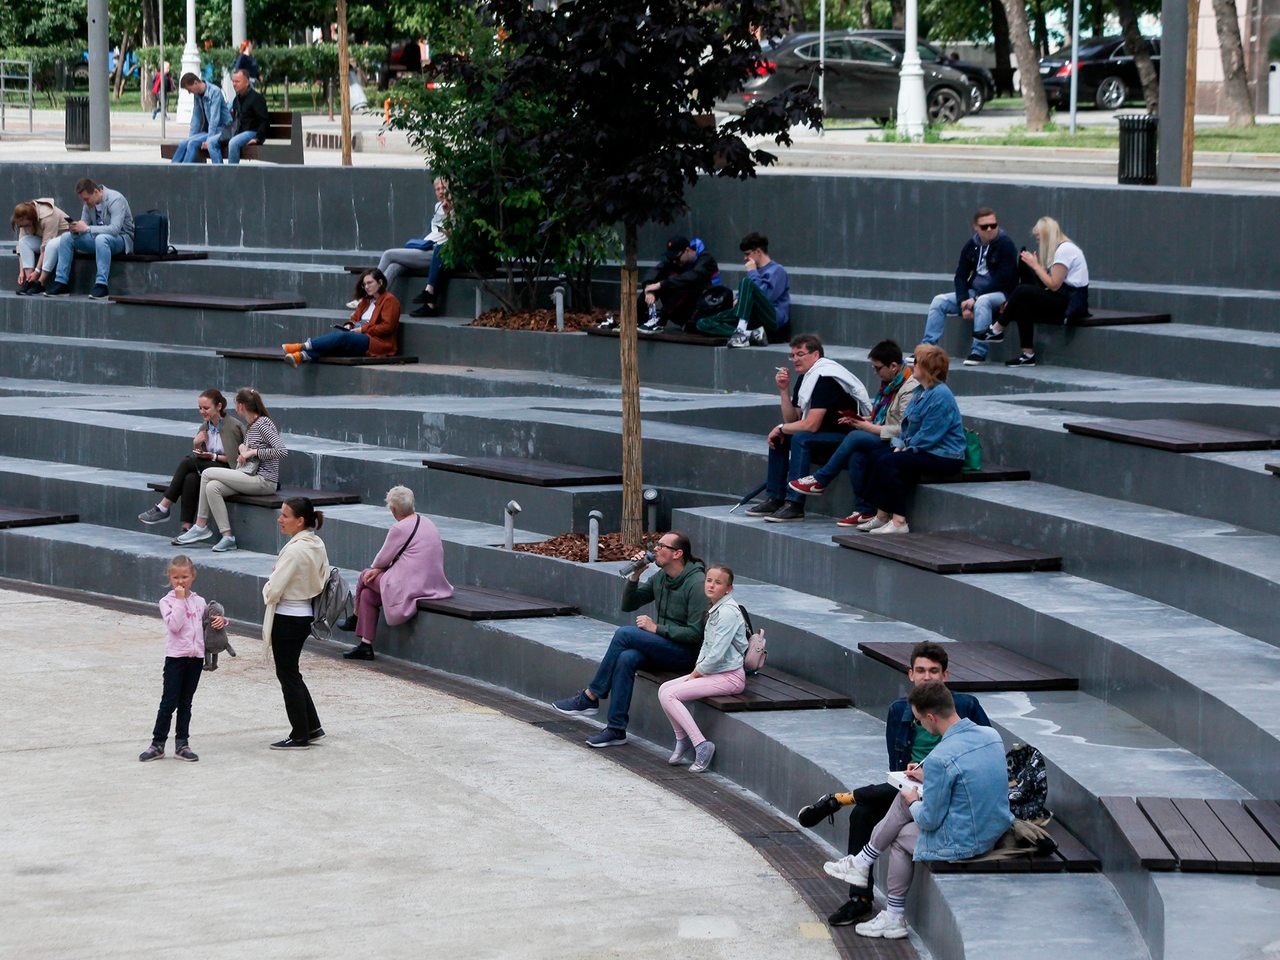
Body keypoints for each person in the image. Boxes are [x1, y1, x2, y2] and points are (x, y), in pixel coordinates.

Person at [799, 642, 992, 927]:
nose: (927, 677)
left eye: (934, 671)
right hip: (911, 787)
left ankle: (840, 799)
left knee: (896, 796)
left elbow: (982, 755)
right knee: (864, 814)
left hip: (947, 795)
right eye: (921, 671)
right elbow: (896, 768)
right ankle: (860, 900)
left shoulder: (965, 707)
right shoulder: (899, 711)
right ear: (911, 675)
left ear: (945, 677)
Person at [824, 680, 1012, 940]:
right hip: (993, 826)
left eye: (919, 721)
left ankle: (890, 909)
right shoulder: (990, 735)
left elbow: (929, 820)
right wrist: (926, 779)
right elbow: (968, 780)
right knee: (905, 800)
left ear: (932, 717)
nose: (919, 725)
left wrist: (914, 800)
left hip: (969, 842)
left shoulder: (940, 757)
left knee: (900, 832)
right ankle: (862, 865)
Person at [551, 532, 708, 748]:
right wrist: (635, 576)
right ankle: (616, 729)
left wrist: (656, 628)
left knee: (625, 634)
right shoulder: (661, 578)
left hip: (687, 655)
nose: (655, 549)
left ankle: (591, 696)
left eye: (661, 546)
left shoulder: (697, 583)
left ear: (677, 554)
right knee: (626, 657)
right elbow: (628, 605)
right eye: (656, 544)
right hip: (665, 647)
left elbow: (695, 634)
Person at [787, 340, 919, 528]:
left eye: (878, 368)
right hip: (885, 434)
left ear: (894, 366)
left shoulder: (908, 388)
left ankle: (821, 479)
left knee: (856, 437)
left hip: (900, 441)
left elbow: (903, 429)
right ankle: (865, 511)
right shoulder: (889, 383)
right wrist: (860, 420)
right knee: (857, 454)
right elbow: (880, 418)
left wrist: (866, 428)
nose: (875, 372)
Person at [745, 333, 871, 524]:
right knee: (782, 438)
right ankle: (775, 498)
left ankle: (794, 504)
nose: (795, 359)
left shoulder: (825, 379)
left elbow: (811, 425)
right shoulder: (806, 378)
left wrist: (780, 427)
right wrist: (783, 390)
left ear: (815, 355)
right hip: (822, 435)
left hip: (844, 438)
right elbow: (792, 419)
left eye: (800, 354)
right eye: (792, 355)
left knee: (800, 438)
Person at [856, 345, 964, 535]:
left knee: (889, 462)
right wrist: (899, 446)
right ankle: (882, 516)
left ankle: (899, 522)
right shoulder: (920, 391)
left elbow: (929, 435)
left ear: (929, 369)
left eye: (917, 362)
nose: (912, 365)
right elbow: (907, 429)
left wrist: (905, 449)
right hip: (926, 450)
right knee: (875, 456)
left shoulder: (941, 395)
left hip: (945, 456)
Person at [341, 485, 453, 661]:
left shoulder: (399, 528)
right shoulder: (427, 522)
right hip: (431, 584)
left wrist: (377, 568)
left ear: (393, 509)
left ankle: (354, 617)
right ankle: (365, 645)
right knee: (369, 596)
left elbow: (380, 560)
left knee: (364, 575)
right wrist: (380, 569)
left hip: (411, 587)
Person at [172, 388, 286, 552]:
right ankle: (227, 537)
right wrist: (243, 448)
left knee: (208, 473)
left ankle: (200, 525)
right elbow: (250, 448)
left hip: (264, 481)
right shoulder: (252, 425)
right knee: (212, 487)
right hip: (248, 475)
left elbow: (282, 450)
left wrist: (253, 452)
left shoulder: (263, 423)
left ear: (241, 406)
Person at [658, 564, 747, 773]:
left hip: (730, 677)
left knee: (670, 695)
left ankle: (701, 745)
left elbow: (716, 653)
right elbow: (706, 646)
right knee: (664, 690)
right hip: (714, 673)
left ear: (728, 589)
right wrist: (696, 672)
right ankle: (682, 739)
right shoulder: (715, 608)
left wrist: (696, 674)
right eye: (709, 580)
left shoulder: (727, 612)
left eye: (718, 582)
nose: (712, 585)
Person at [138, 555, 227, 762]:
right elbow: (175, 625)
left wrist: (222, 621)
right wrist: (179, 601)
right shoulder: (166, 602)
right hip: (176, 658)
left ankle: (182, 744)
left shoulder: (200, 601)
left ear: (193, 576)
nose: (181, 581)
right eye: (176, 577)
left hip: (195, 658)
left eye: (185, 577)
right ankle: (157, 743)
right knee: (168, 703)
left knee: (186, 702)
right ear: (170, 578)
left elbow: (207, 622)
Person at [261, 497, 330, 750]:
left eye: (285, 515)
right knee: (292, 673)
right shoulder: (316, 543)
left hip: (287, 619)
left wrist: (272, 578)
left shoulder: (294, 549)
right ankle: (311, 726)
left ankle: (300, 734)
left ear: (299, 521)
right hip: (303, 616)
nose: (280, 519)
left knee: (287, 675)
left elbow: (273, 591)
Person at [974, 216, 1090, 368]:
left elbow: (1054, 285)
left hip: (1073, 302)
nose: (1039, 243)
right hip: (1064, 296)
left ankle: (997, 329)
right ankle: (1027, 355)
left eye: (1039, 239)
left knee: (1022, 290)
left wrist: (1035, 266)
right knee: (1023, 303)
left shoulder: (1065, 250)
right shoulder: (1062, 249)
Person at [920, 207, 1017, 367]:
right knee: (939, 301)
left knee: (982, 301)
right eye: (985, 226)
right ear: (976, 227)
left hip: (1001, 295)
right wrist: (963, 300)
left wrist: (975, 298)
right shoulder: (972, 245)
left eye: (993, 225)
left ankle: (978, 352)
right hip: (973, 295)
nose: (990, 229)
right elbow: (961, 275)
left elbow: (1003, 279)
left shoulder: (1006, 245)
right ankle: (926, 349)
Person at [138, 389, 246, 532]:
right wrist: (196, 444)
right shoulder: (205, 427)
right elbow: (199, 455)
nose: (202, 411)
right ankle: (186, 527)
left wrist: (212, 457)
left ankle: (163, 507)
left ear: (219, 407)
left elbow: (234, 460)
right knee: (190, 477)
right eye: (200, 408)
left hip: (230, 470)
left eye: (206, 408)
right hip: (210, 467)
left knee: (187, 462)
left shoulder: (233, 426)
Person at [282, 269, 401, 366]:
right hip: (359, 334)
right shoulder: (366, 300)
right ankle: (301, 356)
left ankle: (303, 346)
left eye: (370, 283)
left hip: (377, 342)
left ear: (380, 282)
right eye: (364, 284)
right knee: (336, 342)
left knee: (342, 337)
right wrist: (349, 324)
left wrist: (363, 330)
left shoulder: (390, 300)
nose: (366, 287)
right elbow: (354, 317)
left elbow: (387, 327)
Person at [40, 178, 135, 300]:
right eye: (82, 200)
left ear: (96, 191)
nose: (84, 203)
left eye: (86, 199)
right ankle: (61, 283)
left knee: (102, 239)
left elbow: (115, 229)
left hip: (122, 239)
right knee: (66, 238)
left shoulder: (116, 199)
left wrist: (88, 228)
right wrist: (75, 229)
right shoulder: (89, 204)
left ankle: (101, 285)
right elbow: (84, 226)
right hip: (98, 238)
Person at [694, 231, 791, 347]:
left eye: (747, 254)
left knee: (746, 283)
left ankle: (740, 333)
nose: (745, 258)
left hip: (770, 319)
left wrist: (752, 272)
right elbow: (741, 297)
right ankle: (750, 334)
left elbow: (765, 297)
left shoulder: (777, 271)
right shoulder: (754, 271)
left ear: (758, 251)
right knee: (702, 323)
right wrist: (738, 299)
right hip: (750, 319)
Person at [376, 177, 451, 316]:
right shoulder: (438, 206)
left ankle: (368, 291)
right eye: (438, 189)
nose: (440, 192)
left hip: (436, 254)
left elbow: (452, 236)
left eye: (443, 188)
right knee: (393, 267)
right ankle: (376, 302)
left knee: (388, 254)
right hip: (424, 249)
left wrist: (448, 214)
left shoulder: (456, 209)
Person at [639, 235, 721, 333]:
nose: (674, 261)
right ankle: (635, 317)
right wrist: (649, 290)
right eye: (672, 258)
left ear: (687, 250)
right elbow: (656, 271)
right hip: (683, 310)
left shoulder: (707, 260)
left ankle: (660, 320)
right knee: (660, 280)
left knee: (684, 283)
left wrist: (661, 284)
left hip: (707, 309)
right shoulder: (676, 261)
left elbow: (692, 278)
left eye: (676, 258)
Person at [209, 68, 270, 164]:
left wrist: (258, 138)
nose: (234, 84)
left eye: (237, 81)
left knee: (233, 142)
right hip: (238, 132)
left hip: (252, 132)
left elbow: (265, 121)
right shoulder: (237, 99)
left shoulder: (256, 98)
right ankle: (219, 171)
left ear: (246, 83)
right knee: (211, 142)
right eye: (233, 81)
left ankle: (232, 174)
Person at [12, 199, 69, 296]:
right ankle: (30, 281)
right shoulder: (23, 220)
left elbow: (46, 245)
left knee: (51, 244)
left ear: (32, 219)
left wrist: (37, 271)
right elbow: (20, 246)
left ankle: (41, 282)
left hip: (64, 238)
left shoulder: (49, 215)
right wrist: (21, 272)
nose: (24, 227)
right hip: (44, 238)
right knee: (23, 241)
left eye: (26, 225)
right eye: (22, 226)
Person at [170, 72, 231, 164]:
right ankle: (171, 171)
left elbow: (215, 119)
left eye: (189, 89)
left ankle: (183, 172)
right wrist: (191, 136)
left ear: (195, 83)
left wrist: (209, 139)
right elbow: (196, 118)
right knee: (184, 143)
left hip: (223, 129)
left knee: (192, 143)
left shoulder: (214, 92)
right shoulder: (197, 95)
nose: (190, 92)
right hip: (209, 131)